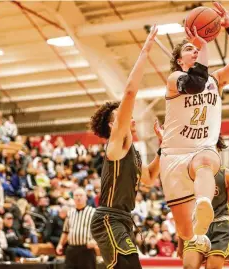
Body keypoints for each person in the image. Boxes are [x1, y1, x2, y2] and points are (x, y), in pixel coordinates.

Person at [160, 1, 229, 252]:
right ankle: (192, 232)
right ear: (180, 61)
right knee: (185, 233)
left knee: (206, 159)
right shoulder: (173, 80)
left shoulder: (216, 79)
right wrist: (201, 43)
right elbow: (195, 85)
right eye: (189, 50)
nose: (194, 51)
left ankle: (204, 203)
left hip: (200, 149)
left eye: (196, 49)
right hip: (173, 156)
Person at [89, 26, 161, 269]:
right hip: (108, 218)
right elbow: (130, 91)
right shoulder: (115, 145)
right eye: (121, 115)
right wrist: (146, 50)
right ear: (112, 125)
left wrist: (162, 149)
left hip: (123, 220)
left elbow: (150, 179)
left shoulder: (134, 154)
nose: (128, 116)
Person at [177, 136, 229, 269]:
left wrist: (224, 225)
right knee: (189, 267)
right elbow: (183, 210)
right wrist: (180, 241)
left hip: (220, 225)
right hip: (195, 226)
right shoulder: (189, 174)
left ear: (217, 150)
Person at [56, 188, 97, 269]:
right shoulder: (70, 212)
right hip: (72, 249)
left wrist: (95, 241)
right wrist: (60, 244)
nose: (78, 198)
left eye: (81, 195)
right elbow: (65, 231)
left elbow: (102, 231)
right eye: (76, 195)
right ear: (73, 198)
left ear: (86, 198)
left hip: (86, 250)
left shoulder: (93, 212)